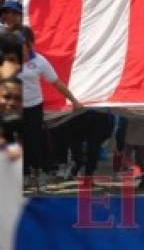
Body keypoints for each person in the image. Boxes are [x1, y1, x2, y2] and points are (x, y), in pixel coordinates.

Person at [19, 28, 84, 190]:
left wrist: (74, 100)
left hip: (33, 107)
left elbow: (57, 83)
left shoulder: (40, 61)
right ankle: (24, 174)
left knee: (34, 141)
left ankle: (39, 171)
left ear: (30, 44)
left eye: (21, 44)